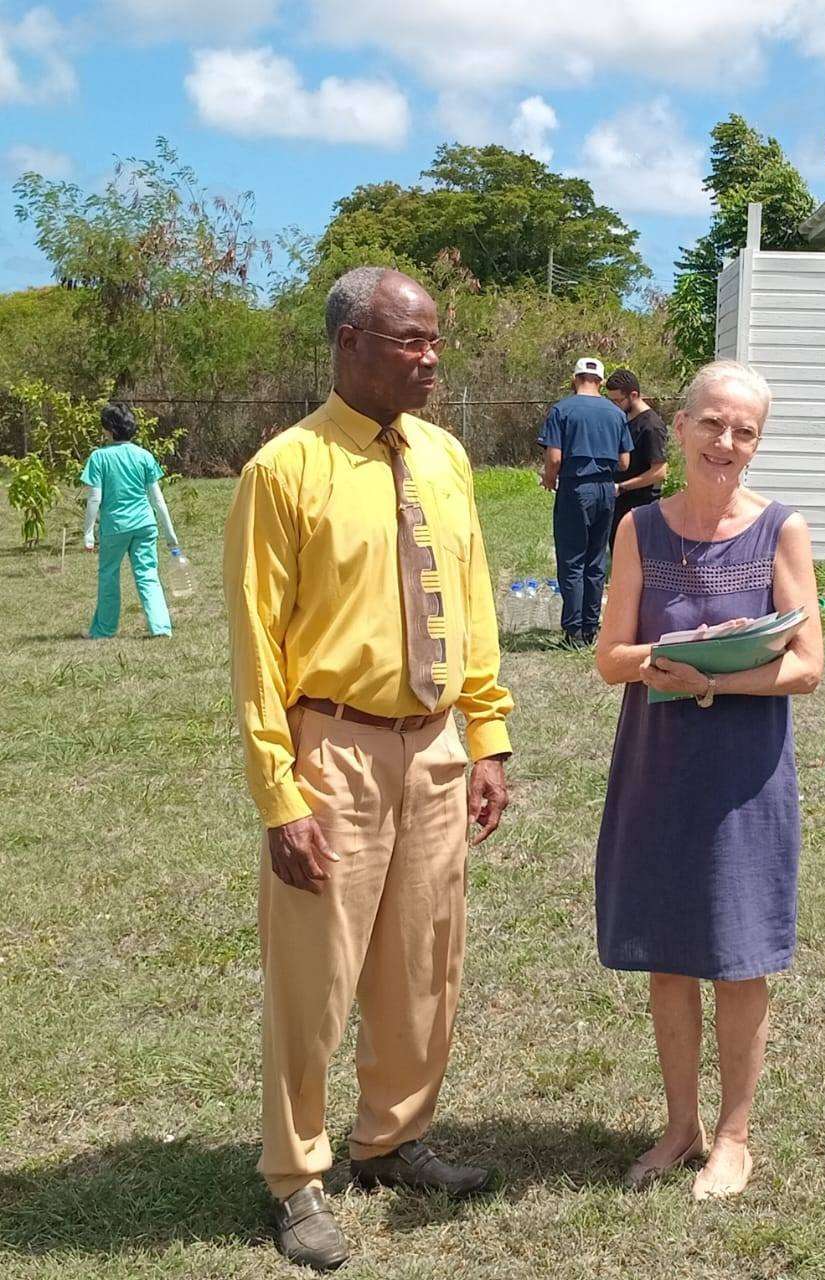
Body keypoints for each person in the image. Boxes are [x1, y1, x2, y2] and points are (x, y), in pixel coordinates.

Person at [224, 266, 514, 1271]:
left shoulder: (443, 456)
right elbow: (256, 646)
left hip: (433, 744)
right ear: (350, 342)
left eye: (436, 340)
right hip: (331, 747)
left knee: (422, 962)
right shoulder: (285, 469)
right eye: (410, 341)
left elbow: (470, 601)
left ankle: (390, 1136)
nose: (431, 358)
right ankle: (296, 1175)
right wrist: (279, 792)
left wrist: (486, 736)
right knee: (316, 976)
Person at [594, 359, 824, 1200]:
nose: (726, 443)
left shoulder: (781, 530)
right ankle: (680, 1124)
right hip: (658, 769)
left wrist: (719, 678)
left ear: (757, 444)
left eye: (746, 431)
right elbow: (607, 657)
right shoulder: (639, 530)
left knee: (739, 957)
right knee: (668, 957)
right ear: (681, 426)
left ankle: (735, 1136)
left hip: (743, 776)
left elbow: (806, 667)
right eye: (713, 424)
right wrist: (668, 658)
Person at [539, 357, 632, 645]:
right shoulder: (615, 413)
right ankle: (592, 627)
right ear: (601, 382)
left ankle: (574, 630)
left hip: (575, 487)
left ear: (575, 378)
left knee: (572, 558)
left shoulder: (562, 410)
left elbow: (554, 457)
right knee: (596, 558)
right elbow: (624, 462)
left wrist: (549, 478)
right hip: (605, 489)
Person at [80, 402, 180, 639]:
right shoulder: (144, 456)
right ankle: (161, 628)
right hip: (146, 525)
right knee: (148, 574)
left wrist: (88, 533)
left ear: (110, 430)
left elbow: (94, 499)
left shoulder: (98, 458)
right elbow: (158, 500)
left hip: (114, 528)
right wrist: (170, 534)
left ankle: (104, 630)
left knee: (109, 576)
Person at [603, 368, 668, 551]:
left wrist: (622, 487)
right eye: (611, 400)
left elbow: (659, 472)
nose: (615, 405)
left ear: (633, 395)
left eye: (618, 400)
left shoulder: (651, 426)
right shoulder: (625, 419)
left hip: (641, 505)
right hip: (620, 502)